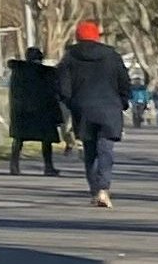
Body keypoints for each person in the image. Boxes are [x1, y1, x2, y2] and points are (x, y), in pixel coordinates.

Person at [55, 21, 133, 209]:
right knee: (106, 149)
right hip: (109, 108)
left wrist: (71, 103)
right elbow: (124, 82)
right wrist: (122, 102)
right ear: (97, 36)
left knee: (89, 150)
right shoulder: (112, 56)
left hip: (83, 109)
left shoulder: (70, 57)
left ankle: (94, 189)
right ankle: (103, 189)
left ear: (77, 36)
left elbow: (62, 86)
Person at [5, 43, 64, 174]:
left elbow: (14, 92)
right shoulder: (47, 73)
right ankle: (48, 167)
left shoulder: (18, 71)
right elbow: (53, 93)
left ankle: (14, 165)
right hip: (43, 111)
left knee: (19, 139)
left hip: (22, 111)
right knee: (46, 140)